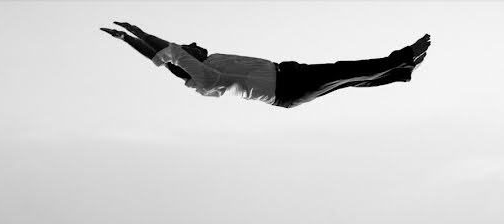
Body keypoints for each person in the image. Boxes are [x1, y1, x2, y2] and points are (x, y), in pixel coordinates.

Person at [101, 22, 429, 108]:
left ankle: (400, 74)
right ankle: (401, 58)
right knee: (345, 71)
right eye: (191, 47)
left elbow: (168, 50)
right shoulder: (203, 75)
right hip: (288, 88)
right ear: (189, 58)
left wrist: (138, 32)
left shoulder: (209, 61)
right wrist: (132, 39)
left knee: (347, 80)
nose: (195, 43)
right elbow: (167, 55)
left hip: (289, 75)